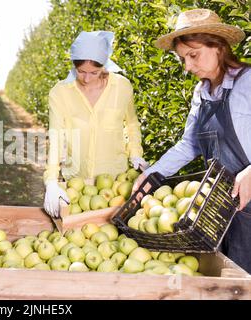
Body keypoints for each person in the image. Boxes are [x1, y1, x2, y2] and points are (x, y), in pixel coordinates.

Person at [132, 9, 251, 272]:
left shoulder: (248, 83)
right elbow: (190, 144)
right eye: (182, 59)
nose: (187, 67)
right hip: (218, 208)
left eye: (192, 55)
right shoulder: (202, 93)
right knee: (226, 278)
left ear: (217, 46)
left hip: (248, 206)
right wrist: (151, 174)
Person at [43, 31, 145, 217]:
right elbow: (56, 137)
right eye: (81, 71)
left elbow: (131, 124)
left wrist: (136, 153)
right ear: (74, 65)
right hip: (77, 184)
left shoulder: (122, 87)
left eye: (94, 72)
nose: (87, 79)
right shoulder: (60, 93)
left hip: (116, 183)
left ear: (104, 65)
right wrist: (51, 180)